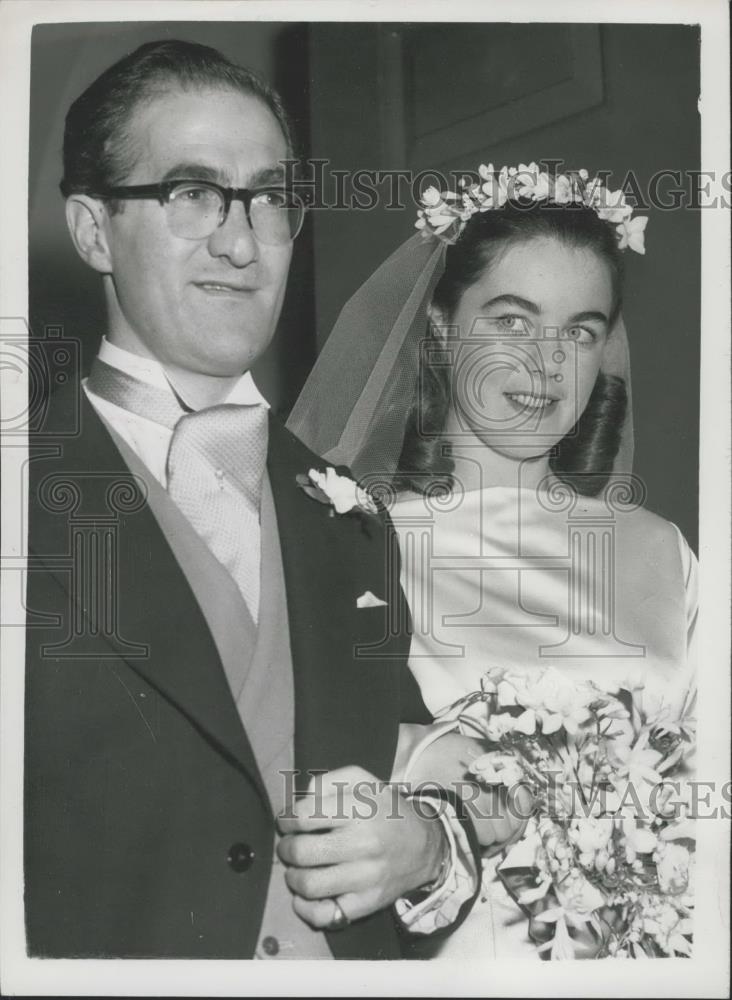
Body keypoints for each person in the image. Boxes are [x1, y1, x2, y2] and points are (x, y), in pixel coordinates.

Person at [24, 39, 492, 960]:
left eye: (271, 199)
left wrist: (428, 847)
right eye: (190, 194)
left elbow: (411, 763)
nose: (241, 243)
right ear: (91, 230)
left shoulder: (351, 514)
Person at [287, 162, 698, 958]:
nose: (548, 363)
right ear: (441, 328)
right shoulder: (358, 544)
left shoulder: (661, 550)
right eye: (512, 321)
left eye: (579, 330)